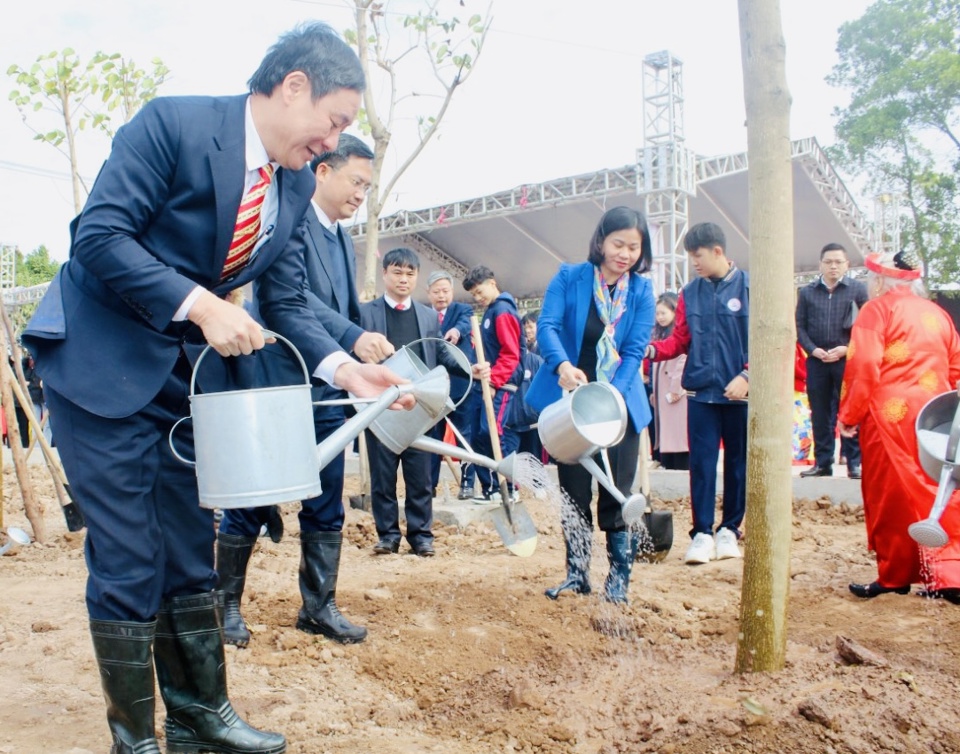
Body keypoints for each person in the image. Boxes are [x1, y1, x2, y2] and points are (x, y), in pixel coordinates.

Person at [21, 23, 412, 754]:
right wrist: (201, 304)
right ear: (294, 86)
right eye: (334, 122)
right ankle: (134, 739)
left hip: (177, 379)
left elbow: (288, 301)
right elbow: (100, 237)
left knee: (189, 551)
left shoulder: (292, 187)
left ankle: (201, 715)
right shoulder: (173, 124)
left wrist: (344, 368)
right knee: (131, 555)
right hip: (98, 366)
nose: (332, 143)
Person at [218, 134, 390, 648]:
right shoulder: (286, 223)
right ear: (322, 173)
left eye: (368, 185)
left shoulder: (340, 235)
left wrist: (356, 342)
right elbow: (290, 304)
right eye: (356, 181)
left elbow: (338, 305)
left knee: (326, 499)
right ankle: (223, 604)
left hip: (328, 392)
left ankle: (318, 606)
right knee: (255, 494)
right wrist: (352, 339)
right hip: (279, 380)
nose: (362, 194)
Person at [526, 206, 655, 604]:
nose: (625, 253)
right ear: (600, 241)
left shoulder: (642, 291)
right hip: (571, 402)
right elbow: (547, 326)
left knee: (616, 491)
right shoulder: (570, 277)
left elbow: (634, 350)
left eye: (634, 247)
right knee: (575, 490)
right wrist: (563, 366)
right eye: (618, 243)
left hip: (617, 405)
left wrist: (611, 396)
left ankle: (618, 580)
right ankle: (577, 573)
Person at [838, 250, 960, 602]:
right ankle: (948, 573)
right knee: (939, 488)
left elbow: (863, 366)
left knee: (889, 494)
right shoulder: (938, 313)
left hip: (888, 415)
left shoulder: (876, 310)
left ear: (878, 281)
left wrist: (850, 414)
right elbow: (955, 370)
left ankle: (894, 574)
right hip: (935, 415)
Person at [647, 222, 749, 566]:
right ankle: (702, 532)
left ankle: (730, 529)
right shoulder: (690, 292)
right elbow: (680, 340)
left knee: (738, 464)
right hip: (702, 393)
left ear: (717, 252)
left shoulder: (750, 287)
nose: (694, 262)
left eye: (698, 256)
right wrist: (651, 351)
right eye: (691, 257)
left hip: (740, 396)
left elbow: (767, 338)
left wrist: (748, 376)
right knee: (702, 465)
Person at [362, 248, 442, 557]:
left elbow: (438, 354)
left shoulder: (427, 315)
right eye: (397, 272)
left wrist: (469, 369)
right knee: (383, 476)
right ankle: (388, 535)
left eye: (410, 274)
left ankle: (421, 536)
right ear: (385, 274)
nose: (403, 279)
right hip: (380, 405)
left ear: (417, 279)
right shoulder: (366, 313)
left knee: (420, 475)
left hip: (418, 405)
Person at [796, 243, 868, 479]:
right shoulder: (807, 292)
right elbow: (800, 326)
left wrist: (847, 349)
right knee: (819, 413)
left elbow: (866, 327)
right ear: (820, 264)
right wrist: (813, 350)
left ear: (847, 264)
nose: (833, 266)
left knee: (849, 410)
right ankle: (823, 462)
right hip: (817, 361)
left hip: (846, 359)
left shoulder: (857, 290)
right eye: (828, 262)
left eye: (838, 262)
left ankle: (853, 462)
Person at [462, 264, 524, 502]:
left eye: (480, 291)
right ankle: (491, 488)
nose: (478, 297)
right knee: (478, 434)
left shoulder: (502, 311)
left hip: (502, 383)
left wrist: (495, 381)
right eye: (474, 294)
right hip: (486, 382)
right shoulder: (489, 312)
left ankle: (511, 486)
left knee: (494, 431)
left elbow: (511, 354)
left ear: (492, 283)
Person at [425, 269, 480, 500]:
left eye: (445, 291)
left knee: (465, 436)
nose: (441, 296)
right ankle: (429, 486)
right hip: (434, 389)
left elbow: (465, 324)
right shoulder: (424, 315)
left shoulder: (462, 310)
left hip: (461, 387)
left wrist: (456, 331)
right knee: (433, 440)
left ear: (452, 291)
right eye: (436, 291)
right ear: (428, 294)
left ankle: (467, 484)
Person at [650, 292, 689, 471]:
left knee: (678, 435)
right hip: (663, 391)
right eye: (657, 314)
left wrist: (675, 388)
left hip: (675, 394)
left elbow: (682, 360)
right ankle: (668, 463)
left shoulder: (677, 334)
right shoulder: (660, 333)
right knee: (668, 434)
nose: (660, 317)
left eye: (663, 313)